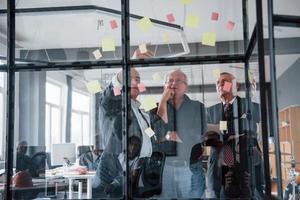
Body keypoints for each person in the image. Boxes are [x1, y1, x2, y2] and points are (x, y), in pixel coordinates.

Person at [205, 72, 263, 198]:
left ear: (236, 86)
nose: (220, 85)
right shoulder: (210, 111)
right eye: (217, 83)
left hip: (247, 168)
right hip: (219, 171)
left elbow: (249, 129)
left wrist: (219, 129)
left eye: (224, 81)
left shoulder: (250, 106)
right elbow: (207, 138)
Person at [152, 69, 207, 198]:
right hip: (164, 170)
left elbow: (199, 133)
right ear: (164, 86)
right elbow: (156, 135)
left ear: (185, 87)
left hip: (191, 167)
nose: (173, 84)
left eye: (178, 81)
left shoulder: (197, 106)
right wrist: (162, 102)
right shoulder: (155, 109)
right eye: (170, 81)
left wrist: (170, 136)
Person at [93, 114, 144, 198]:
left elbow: (132, 177)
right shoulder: (120, 155)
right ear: (127, 145)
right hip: (110, 181)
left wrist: (115, 183)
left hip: (122, 186)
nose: (134, 147)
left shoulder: (137, 160)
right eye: (131, 144)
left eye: (137, 145)